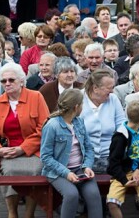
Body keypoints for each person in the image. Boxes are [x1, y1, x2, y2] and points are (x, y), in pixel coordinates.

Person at [0, 63, 49, 218]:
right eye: (3, 81)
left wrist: (22, 148)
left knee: (34, 170)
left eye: (11, 80)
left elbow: (44, 128)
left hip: (33, 150)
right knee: (9, 171)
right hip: (7, 151)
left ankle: (29, 213)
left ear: (21, 81)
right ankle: (12, 212)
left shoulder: (36, 97)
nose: (7, 84)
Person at [40, 89, 103, 218]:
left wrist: (87, 166)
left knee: (94, 195)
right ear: (76, 107)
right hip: (58, 172)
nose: (83, 107)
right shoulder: (52, 126)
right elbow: (45, 157)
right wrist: (66, 173)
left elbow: (89, 148)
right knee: (71, 195)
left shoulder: (79, 122)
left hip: (80, 169)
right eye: (82, 104)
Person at [106, 100, 139, 218]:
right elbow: (113, 163)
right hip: (122, 173)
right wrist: (124, 180)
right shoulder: (120, 136)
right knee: (112, 202)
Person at [80, 69, 127, 173]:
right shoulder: (78, 99)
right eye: (109, 88)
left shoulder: (113, 99)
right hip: (84, 158)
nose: (112, 91)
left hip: (111, 155)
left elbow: (122, 124)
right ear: (95, 88)